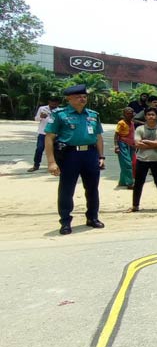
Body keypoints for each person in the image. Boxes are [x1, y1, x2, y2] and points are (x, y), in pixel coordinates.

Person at [44, 84, 105, 235]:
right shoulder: (60, 114)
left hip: (90, 155)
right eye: (78, 96)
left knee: (92, 188)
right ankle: (65, 221)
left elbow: (98, 137)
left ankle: (92, 217)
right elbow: (49, 138)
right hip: (69, 155)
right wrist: (51, 162)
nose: (82, 99)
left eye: (84, 96)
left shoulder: (93, 115)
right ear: (69, 98)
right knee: (66, 189)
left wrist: (101, 156)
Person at [128, 107, 157, 212]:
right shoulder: (140, 129)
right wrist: (155, 143)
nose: (151, 116)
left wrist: (146, 141)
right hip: (142, 160)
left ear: (156, 116)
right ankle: (135, 205)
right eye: (148, 114)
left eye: (153, 114)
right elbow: (138, 144)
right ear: (145, 116)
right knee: (138, 183)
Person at [28, 96, 61, 172]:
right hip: (43, 133)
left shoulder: (59, 111)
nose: (53, 104)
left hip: (54, 133)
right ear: (49, 102)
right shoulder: (42, 108)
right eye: (52, 102)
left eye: (55, 103)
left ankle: (56, 165)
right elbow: (36, 119)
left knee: (56, 150)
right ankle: (36, 165)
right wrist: (41, 117)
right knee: (39, 149)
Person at [114, 107, 136, 189]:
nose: (130, 115)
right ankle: (129, 183)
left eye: (131, 113)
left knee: (129, 162)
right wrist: (116, 146)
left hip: (131, 145)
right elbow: (116, 134)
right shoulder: (121, 123)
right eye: (128, 113)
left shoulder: (132, 123)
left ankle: (122, 181)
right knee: (127, 163)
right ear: (124, 114)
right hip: (122, 144)